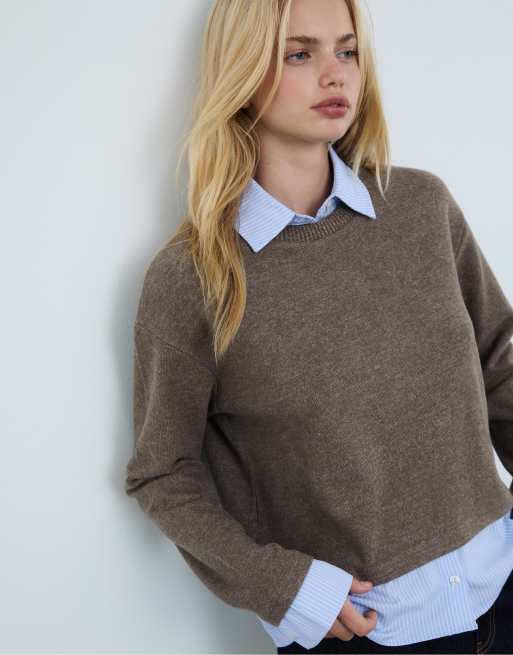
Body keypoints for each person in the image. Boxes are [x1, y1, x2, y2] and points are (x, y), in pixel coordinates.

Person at [124, 0, 513, 652]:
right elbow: (162, 470)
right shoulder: (194, 278)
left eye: (347, 50)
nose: (336, 74)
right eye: (299, 54)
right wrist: (285, 586)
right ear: (242, 71)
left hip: (501, 582)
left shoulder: (422, 207)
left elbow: (499, 359)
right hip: (368, 630)